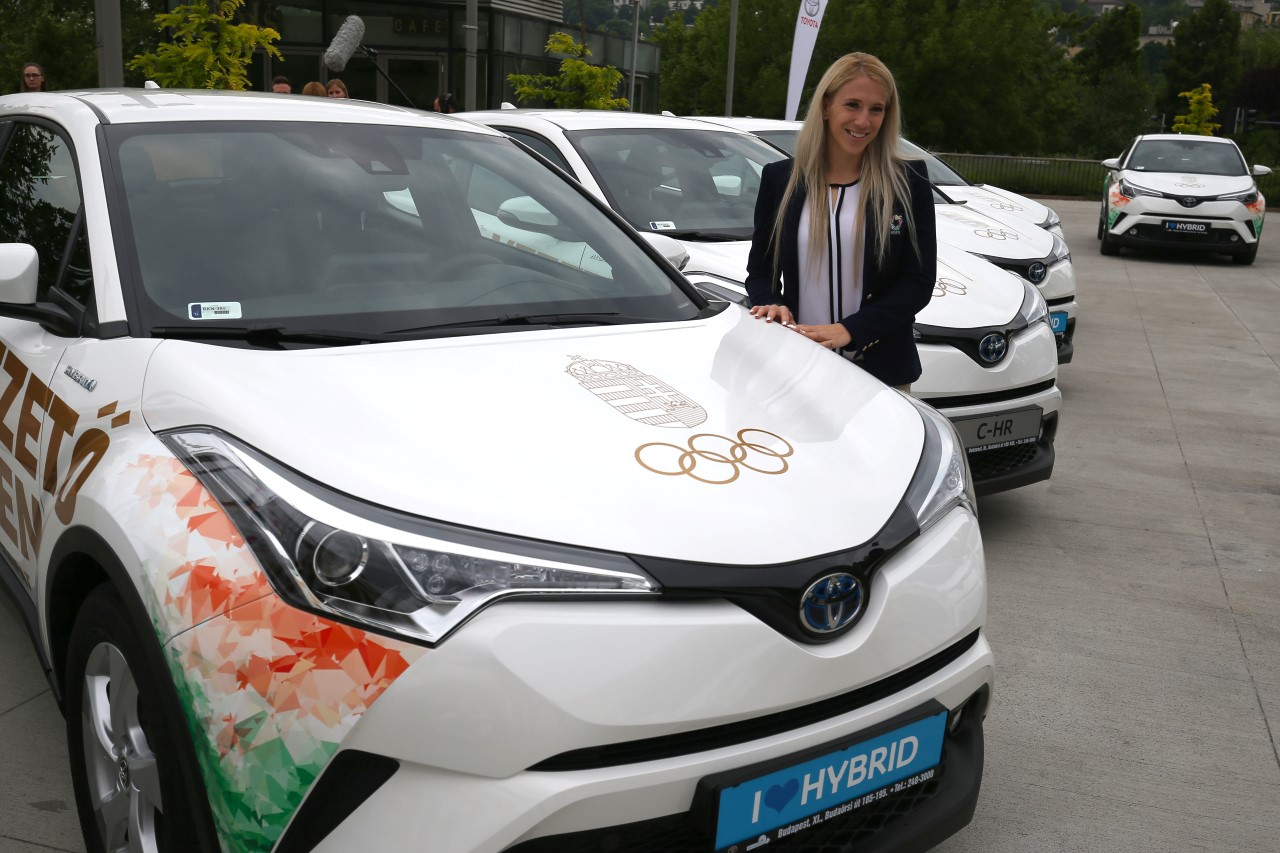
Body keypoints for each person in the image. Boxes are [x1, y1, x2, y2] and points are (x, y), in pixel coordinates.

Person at [744, 52, 936, 392]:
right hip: (797, 366)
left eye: (876, 109)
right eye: (852, 105)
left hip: (882, 374)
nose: (863, 121)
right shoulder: (781, 179)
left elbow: (917, 282)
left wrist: (851, 330)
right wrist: (772, 303)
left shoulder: (908, 181)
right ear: (825, 107)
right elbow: (760, 272)